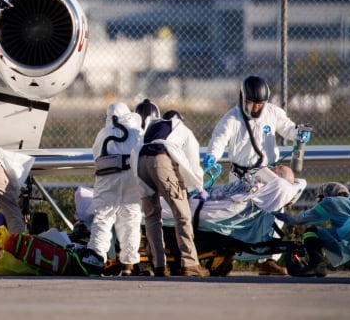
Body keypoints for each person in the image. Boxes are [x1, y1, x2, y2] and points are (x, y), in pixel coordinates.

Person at [203, 75, 311, 276]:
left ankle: (268, 260)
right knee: (239, 219)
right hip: (242, 179)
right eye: (252, 104)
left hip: (269, 174)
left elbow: (287, 128)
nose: (256, 109)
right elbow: (219, 139)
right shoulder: (232, 119)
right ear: (243, 99)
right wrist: (212, 156)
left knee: (275, 212)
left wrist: (299, 133)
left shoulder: (272, 113)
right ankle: (229, 254)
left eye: (260, 105)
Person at [137, 110, 209, 277]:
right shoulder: (184, 130)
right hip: (161, 161)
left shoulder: (153, 127)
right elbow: (192, 162)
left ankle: (159, 265)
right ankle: (190, 263)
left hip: (141, 161)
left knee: (151, 216)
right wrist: (199, 187)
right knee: (182, 214)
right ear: (180, 119)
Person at [82, 102, 143, 276]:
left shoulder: (104, 133)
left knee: (103, 216)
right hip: (131, 178)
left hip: (107, 179)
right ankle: (128, 265)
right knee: (131, 219)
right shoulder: (138, 133)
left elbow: (96, 155)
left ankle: (96, 257)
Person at [276, 182, 350, 278]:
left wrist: (283, 216)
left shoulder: (330, 202)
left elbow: (301, 219)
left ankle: (317, 265)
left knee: (311, 232)